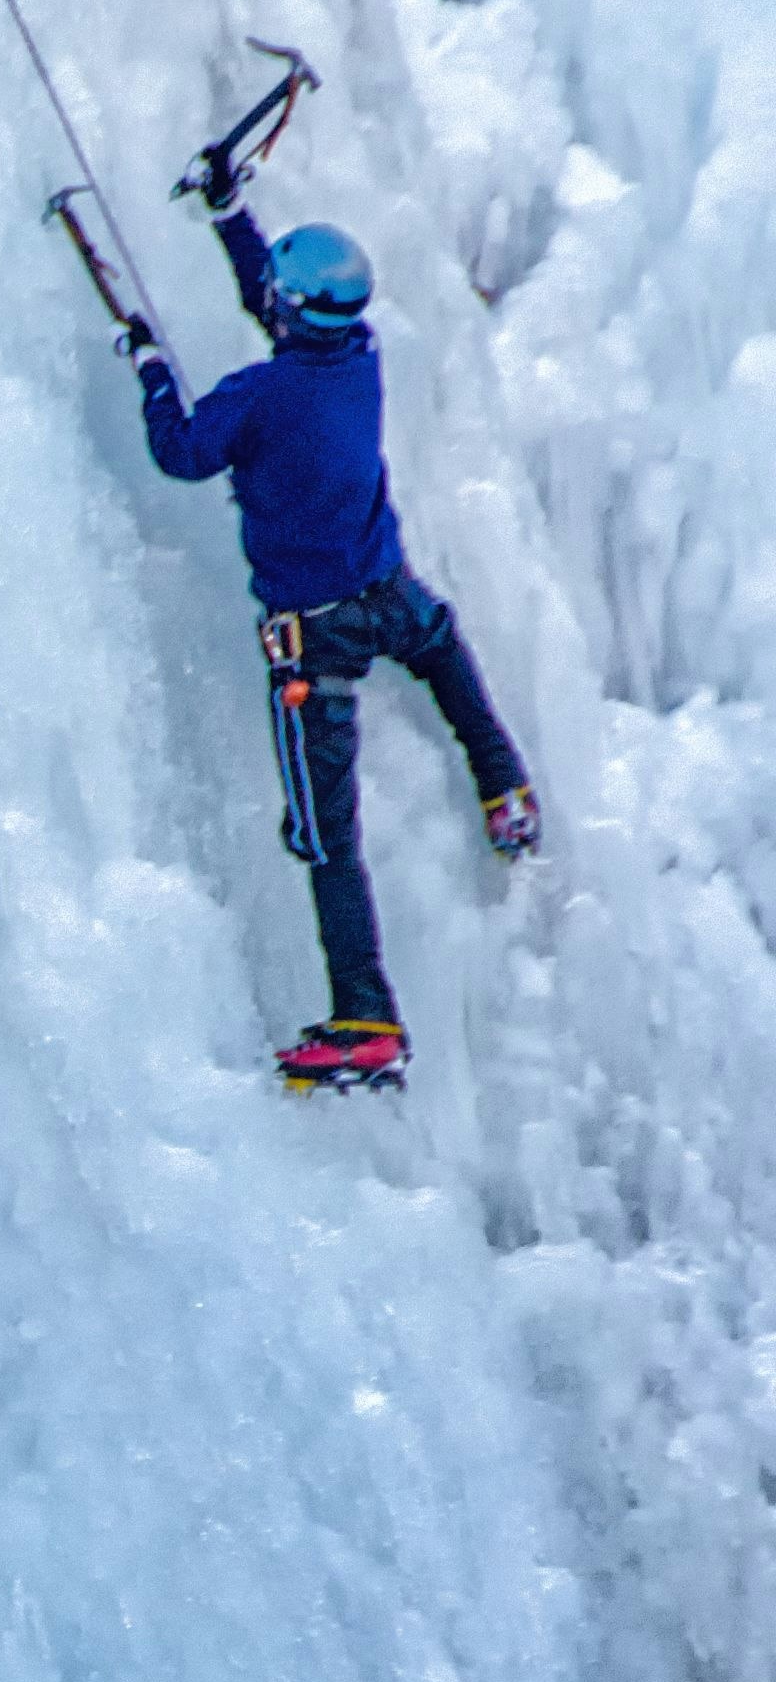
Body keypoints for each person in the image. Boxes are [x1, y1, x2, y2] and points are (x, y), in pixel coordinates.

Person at [132, 166, 539, 1087]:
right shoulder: (356, 356)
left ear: (290, 308)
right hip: (384, 591)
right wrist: (231, 214)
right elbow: (274, 306)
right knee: (441, 651)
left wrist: (151, 369)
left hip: (312, 637)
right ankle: (503, 785)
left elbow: (183, 452)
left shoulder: (257, 397)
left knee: (328, 835)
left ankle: (366, 1016)